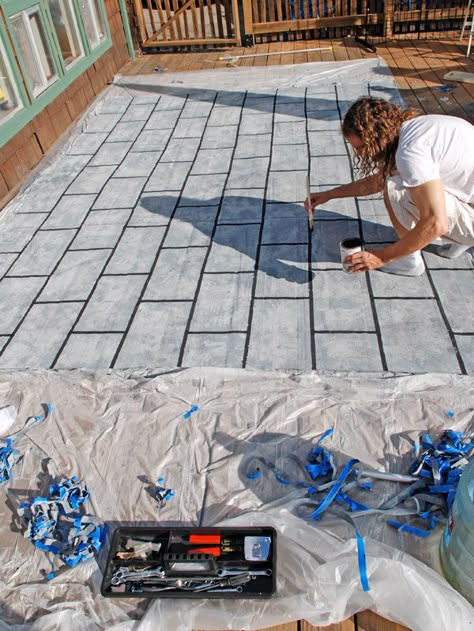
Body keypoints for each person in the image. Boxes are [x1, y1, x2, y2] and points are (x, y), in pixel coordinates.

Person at [305, 97, 474, 275]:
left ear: (376, 138)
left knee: (394, 188)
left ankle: (409, 262)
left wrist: (382, 257)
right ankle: (461, 241)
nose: (360, 154)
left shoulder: (410, 153)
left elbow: (436, 223)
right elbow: (377, 180)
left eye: (361, 147)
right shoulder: (419, 126)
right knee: (404, 182)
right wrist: (330, 194)